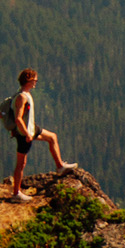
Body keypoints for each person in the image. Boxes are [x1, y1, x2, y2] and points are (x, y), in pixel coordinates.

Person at [9, 67, 76, 201]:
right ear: (28, 80)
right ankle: (16, 194)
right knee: (21, 164)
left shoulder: (24, 94)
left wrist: (30, 131)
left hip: (31, 128)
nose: (36, 82)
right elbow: (18, 118)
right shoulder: (22, 97)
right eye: (34, 80)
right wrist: (27, 134)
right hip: (25, 133)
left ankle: (60, 167)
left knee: (52, 137)